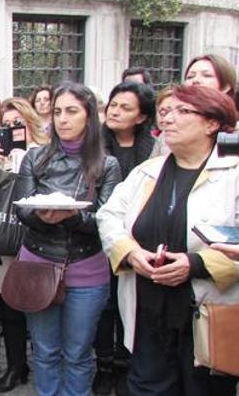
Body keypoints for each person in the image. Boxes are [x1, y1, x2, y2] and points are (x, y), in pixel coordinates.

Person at [96, 84, 239, 396]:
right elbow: (109, 215)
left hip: (207, 320)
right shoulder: (147, 172)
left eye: (182, 112)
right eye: (165, 112)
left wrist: (195, 264)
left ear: (212, 123)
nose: (168, 120)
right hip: (148, 315)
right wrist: (129, 252)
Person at [14, 82, 121, 396]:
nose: (62, 119)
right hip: (38, 263)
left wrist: (72, 216)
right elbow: (22, 210)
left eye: (71, 111)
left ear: (89, 117)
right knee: (45, 351)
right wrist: (43, 215)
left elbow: (106, 220)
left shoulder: (108, 164)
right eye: (57, 111)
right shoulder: (35, 158)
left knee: (77, 353)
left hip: (87, 268)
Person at [92, 81, 156, 395]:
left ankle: (125, 362)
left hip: (140, 245)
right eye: (113, 105)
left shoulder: (154, 151)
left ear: (142, 117)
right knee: (104, 306)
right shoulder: (96, 146)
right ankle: (104, 365)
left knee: (130, 306)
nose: (115, 111)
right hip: (99, 241)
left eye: (125, 107)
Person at [0, 97, 48, 394]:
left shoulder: (45, 155)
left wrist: (24, 162)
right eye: (6, 126)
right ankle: (15, 366)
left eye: (17, 124)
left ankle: (46, 365)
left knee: (40, 307)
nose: (12, 130)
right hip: (7, 244)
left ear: (30, 123)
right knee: (8, 307)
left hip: (39, 244)